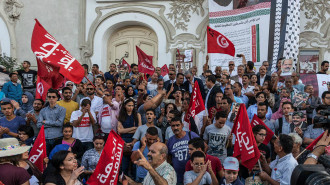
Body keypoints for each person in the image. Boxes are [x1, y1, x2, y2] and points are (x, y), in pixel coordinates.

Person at [167, 117, 199, 184]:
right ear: (171, 127)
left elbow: (204, 147)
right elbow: (169, 157)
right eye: (173, 126)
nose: (175, 128)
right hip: (178, 176)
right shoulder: (170, 141)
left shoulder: (191, 135)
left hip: (194, 175)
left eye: (177, 125)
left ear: (182, 125)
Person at [37, 88, 66, 155]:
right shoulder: (43, 110)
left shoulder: (62, 109)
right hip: (45, 138)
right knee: (46, 158)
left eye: (53, 97)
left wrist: (46, 122)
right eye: (49, 97)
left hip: (57, 138)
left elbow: (59, 123)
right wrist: (54, 123)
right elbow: (39, 125)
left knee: (57, 158)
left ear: (57, 98)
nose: (51, 98)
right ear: (47, 97)